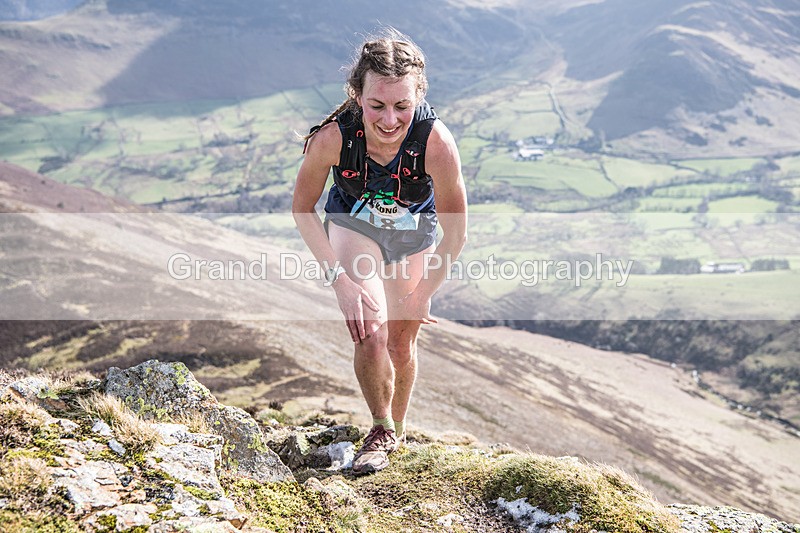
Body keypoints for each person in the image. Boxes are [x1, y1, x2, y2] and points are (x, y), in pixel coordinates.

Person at [292, 31, 467, 475]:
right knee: (370, 330)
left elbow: (455, 232)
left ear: (419, 96)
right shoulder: (333, 138)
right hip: (354, 223)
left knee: (401, 341)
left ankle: (398, 430)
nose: (390, 119)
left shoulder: (436, 143)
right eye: (377, 106)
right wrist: (341, 281)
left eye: (402, 106)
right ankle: (380, 427)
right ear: (357, 95)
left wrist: (425, 291)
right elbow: (302, 208)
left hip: (414, 233)